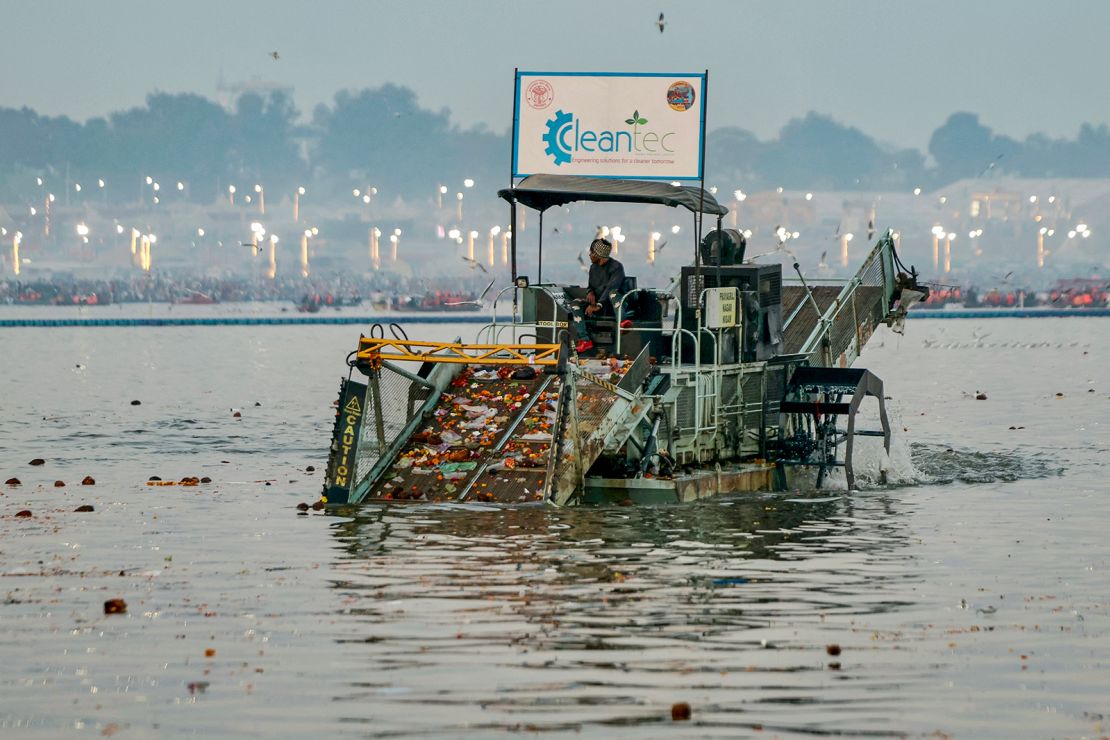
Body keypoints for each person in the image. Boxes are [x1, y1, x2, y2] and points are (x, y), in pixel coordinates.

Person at [568, 237, 626, 354]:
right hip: (597, 304)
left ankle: (623, 322)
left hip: (612, 305)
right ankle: (585, 340)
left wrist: (599, 305)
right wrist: (590, 292)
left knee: (613, 293)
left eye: (592, 253)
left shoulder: (616, 267)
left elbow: (611, 288)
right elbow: (591, 286)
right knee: (575, 304)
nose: (589, 255)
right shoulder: (593, 268)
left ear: (599, 255)